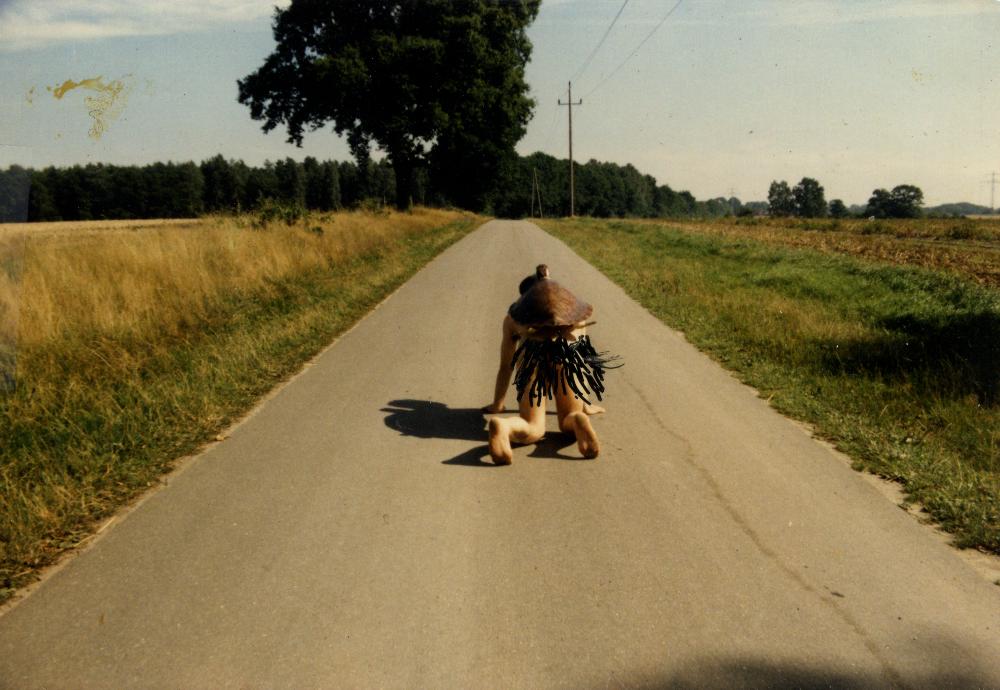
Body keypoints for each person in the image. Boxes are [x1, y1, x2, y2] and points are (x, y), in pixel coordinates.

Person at [484, 265, 617, 465]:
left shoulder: (513, 320)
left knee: (532, 426)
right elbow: (583, 362)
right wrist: (586, 405)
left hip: (532, 354)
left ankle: (504, 427)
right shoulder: (577, 317)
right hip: (567, 351)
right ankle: (578, 419)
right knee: (568, 421)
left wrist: (498, 404)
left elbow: (506, 366)